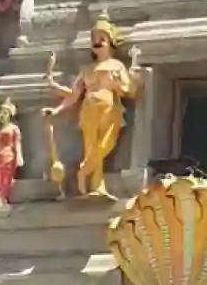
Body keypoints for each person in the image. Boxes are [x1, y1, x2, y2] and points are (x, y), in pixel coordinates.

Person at [43, 16, 146, 199]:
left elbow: (128, 90)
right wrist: (56, 110)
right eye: (94, 40)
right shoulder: (87, 69)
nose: (97, 43)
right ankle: (97, 186)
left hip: (110, 109)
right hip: (88, 109)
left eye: (102, 39)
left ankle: (83, 172)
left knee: (106, 144)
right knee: (91, 147)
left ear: (111, 43)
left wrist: (119, 84)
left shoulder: (117, 66)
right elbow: (74, 95)